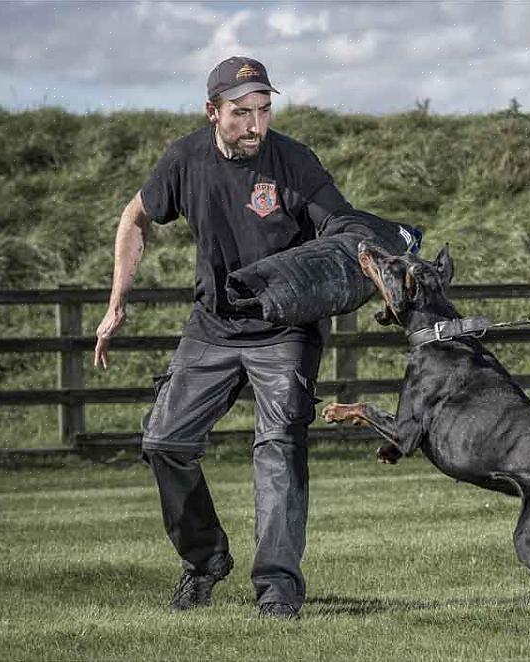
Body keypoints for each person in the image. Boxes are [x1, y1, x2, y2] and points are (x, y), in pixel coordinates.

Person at [94, 56, 360, 619]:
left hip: (284, 331)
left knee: (279, 451)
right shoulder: (184, 159)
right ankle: (205, 561)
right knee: (165, 441)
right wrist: (116, 301)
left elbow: (345, 228)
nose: (255, 126)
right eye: (242, 113)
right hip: (212, 326)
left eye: (264, 111)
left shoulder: (295, 163)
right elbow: (133, 219)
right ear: (212, 111)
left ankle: (278, 592)